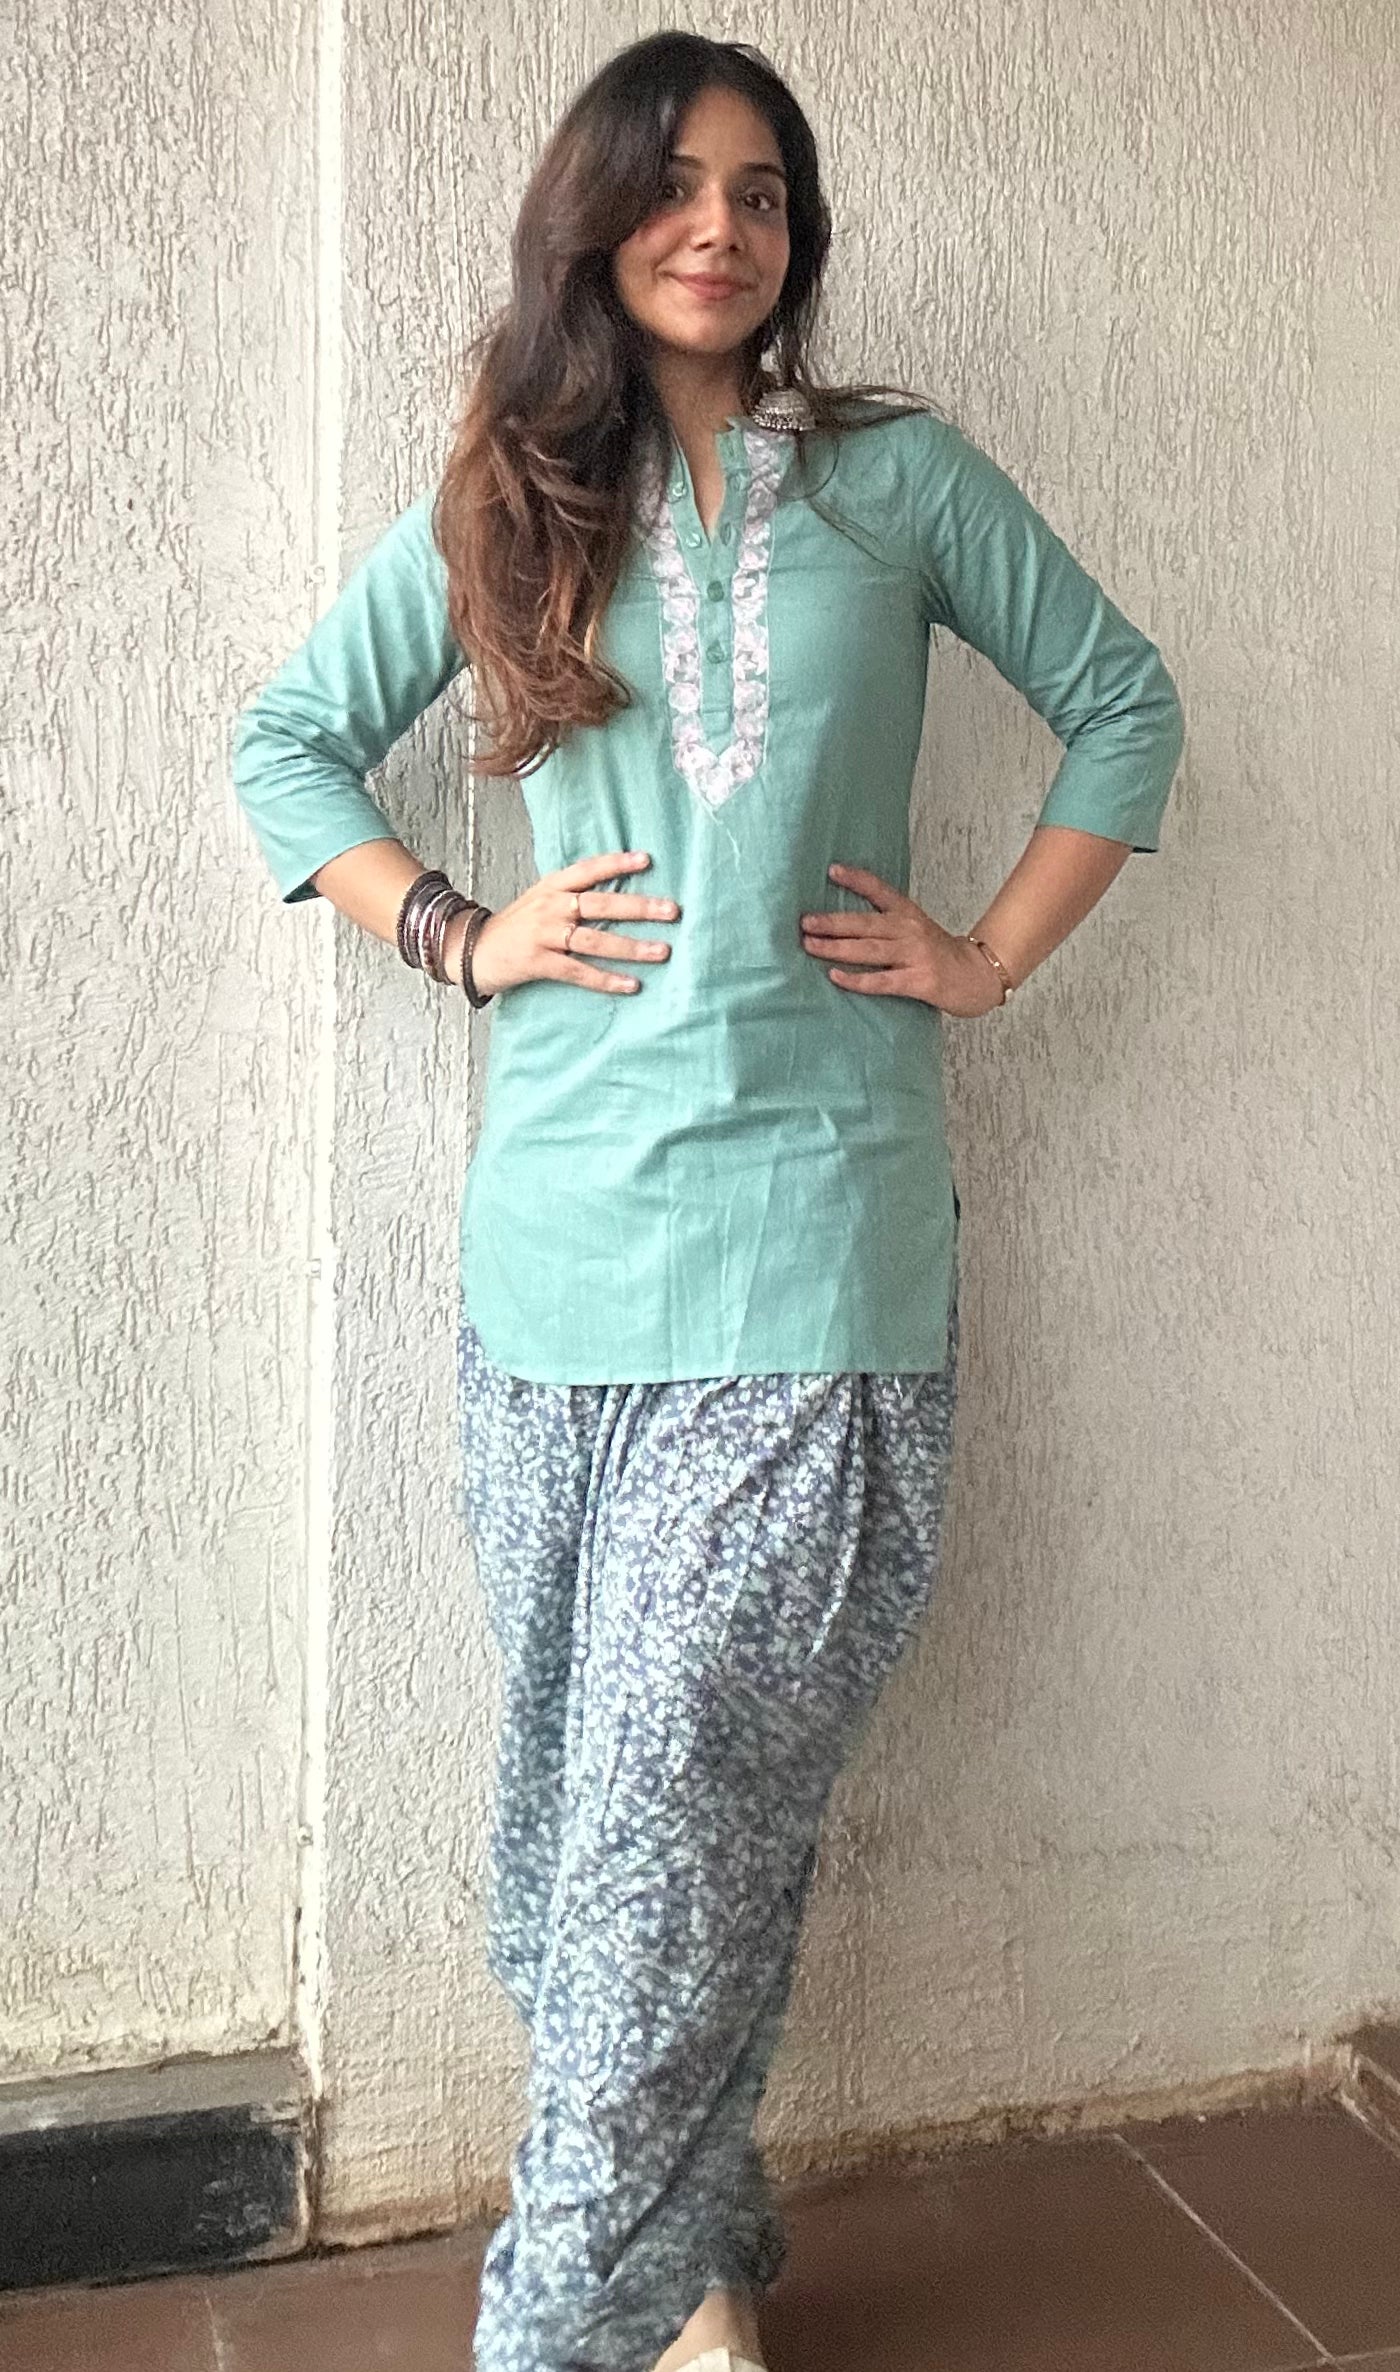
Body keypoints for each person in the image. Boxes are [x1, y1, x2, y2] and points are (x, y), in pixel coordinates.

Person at [230, 29, 1184, 2372]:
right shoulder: (507, 500)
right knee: (577, 1843)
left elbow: (1125, 704)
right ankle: (697, 2256)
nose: (721, 228)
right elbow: (286, 744)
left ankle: (557, 2323)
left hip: (817, 1254)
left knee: (661, 1832)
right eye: (675, 185)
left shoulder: (896, 480)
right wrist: (458, 929)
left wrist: (984, 954)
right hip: (552, 1268)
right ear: (594, 219)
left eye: (762, 193)